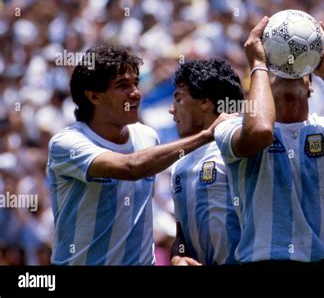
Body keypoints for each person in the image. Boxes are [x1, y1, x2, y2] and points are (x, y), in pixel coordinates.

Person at [47, 45, 229, 265]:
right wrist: (207, 135)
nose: (136, 93)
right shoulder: (67, 144)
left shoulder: (147, 137)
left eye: (136, 83)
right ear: (94, 96)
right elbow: (130, 167)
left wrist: (178, 256)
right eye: (123, 86)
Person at [214, 17, 324, 265]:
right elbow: (260, 132)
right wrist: (258, 63)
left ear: (311, 85)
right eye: (275, 65)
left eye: (298, 66)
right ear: (259, 82)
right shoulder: (230, 127)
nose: (287, 66)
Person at [169, 59, 243, 266]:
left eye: (178, 99)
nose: (171, 109)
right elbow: (180, 235)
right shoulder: (179, 164)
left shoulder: (240, 147)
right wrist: (177, 257)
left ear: (205, 102)